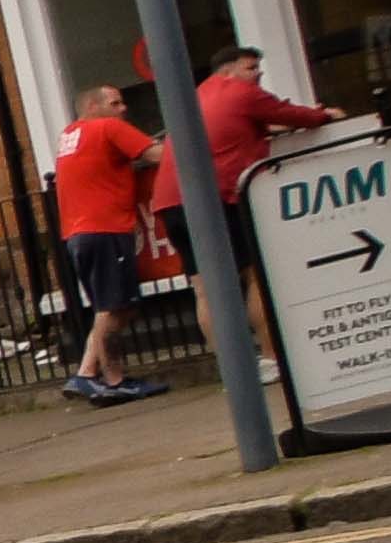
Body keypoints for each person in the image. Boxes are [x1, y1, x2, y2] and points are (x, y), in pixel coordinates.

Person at [160, 39, 346, 357]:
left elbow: (240, 126)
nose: (258, 74)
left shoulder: (194, 98)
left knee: (205, 289)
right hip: (216, 197)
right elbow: (296, 116)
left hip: (171, 203)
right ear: (228, 72)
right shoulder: (241, 93)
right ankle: (273, 358)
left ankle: (235, 370)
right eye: (251, 68)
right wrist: (327, 115)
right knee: (256, 274)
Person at [49, 77, 169, 403]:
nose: (123, 108)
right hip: (106, 229)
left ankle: (111, 380)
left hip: (77, 233)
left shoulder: (70, 135)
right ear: (93, 107)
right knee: (112, 307)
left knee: (116, 307)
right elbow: (160, 155)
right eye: (115, 103)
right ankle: (90, 374)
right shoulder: (108, 128)